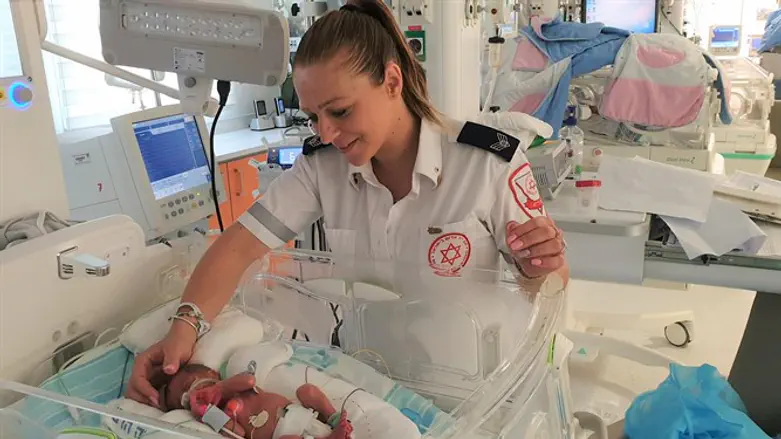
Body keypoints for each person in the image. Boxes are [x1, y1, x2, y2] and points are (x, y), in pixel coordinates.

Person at [126, 0, 569, 409]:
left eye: (339, 111)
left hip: (480, 396)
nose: (328, 132)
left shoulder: (487, 164)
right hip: (374, 388)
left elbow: (551, 282)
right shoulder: (324, 168)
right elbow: (240, 246)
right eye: (313, 116)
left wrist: (537, 267)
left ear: (392, 82)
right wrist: (184, 327)